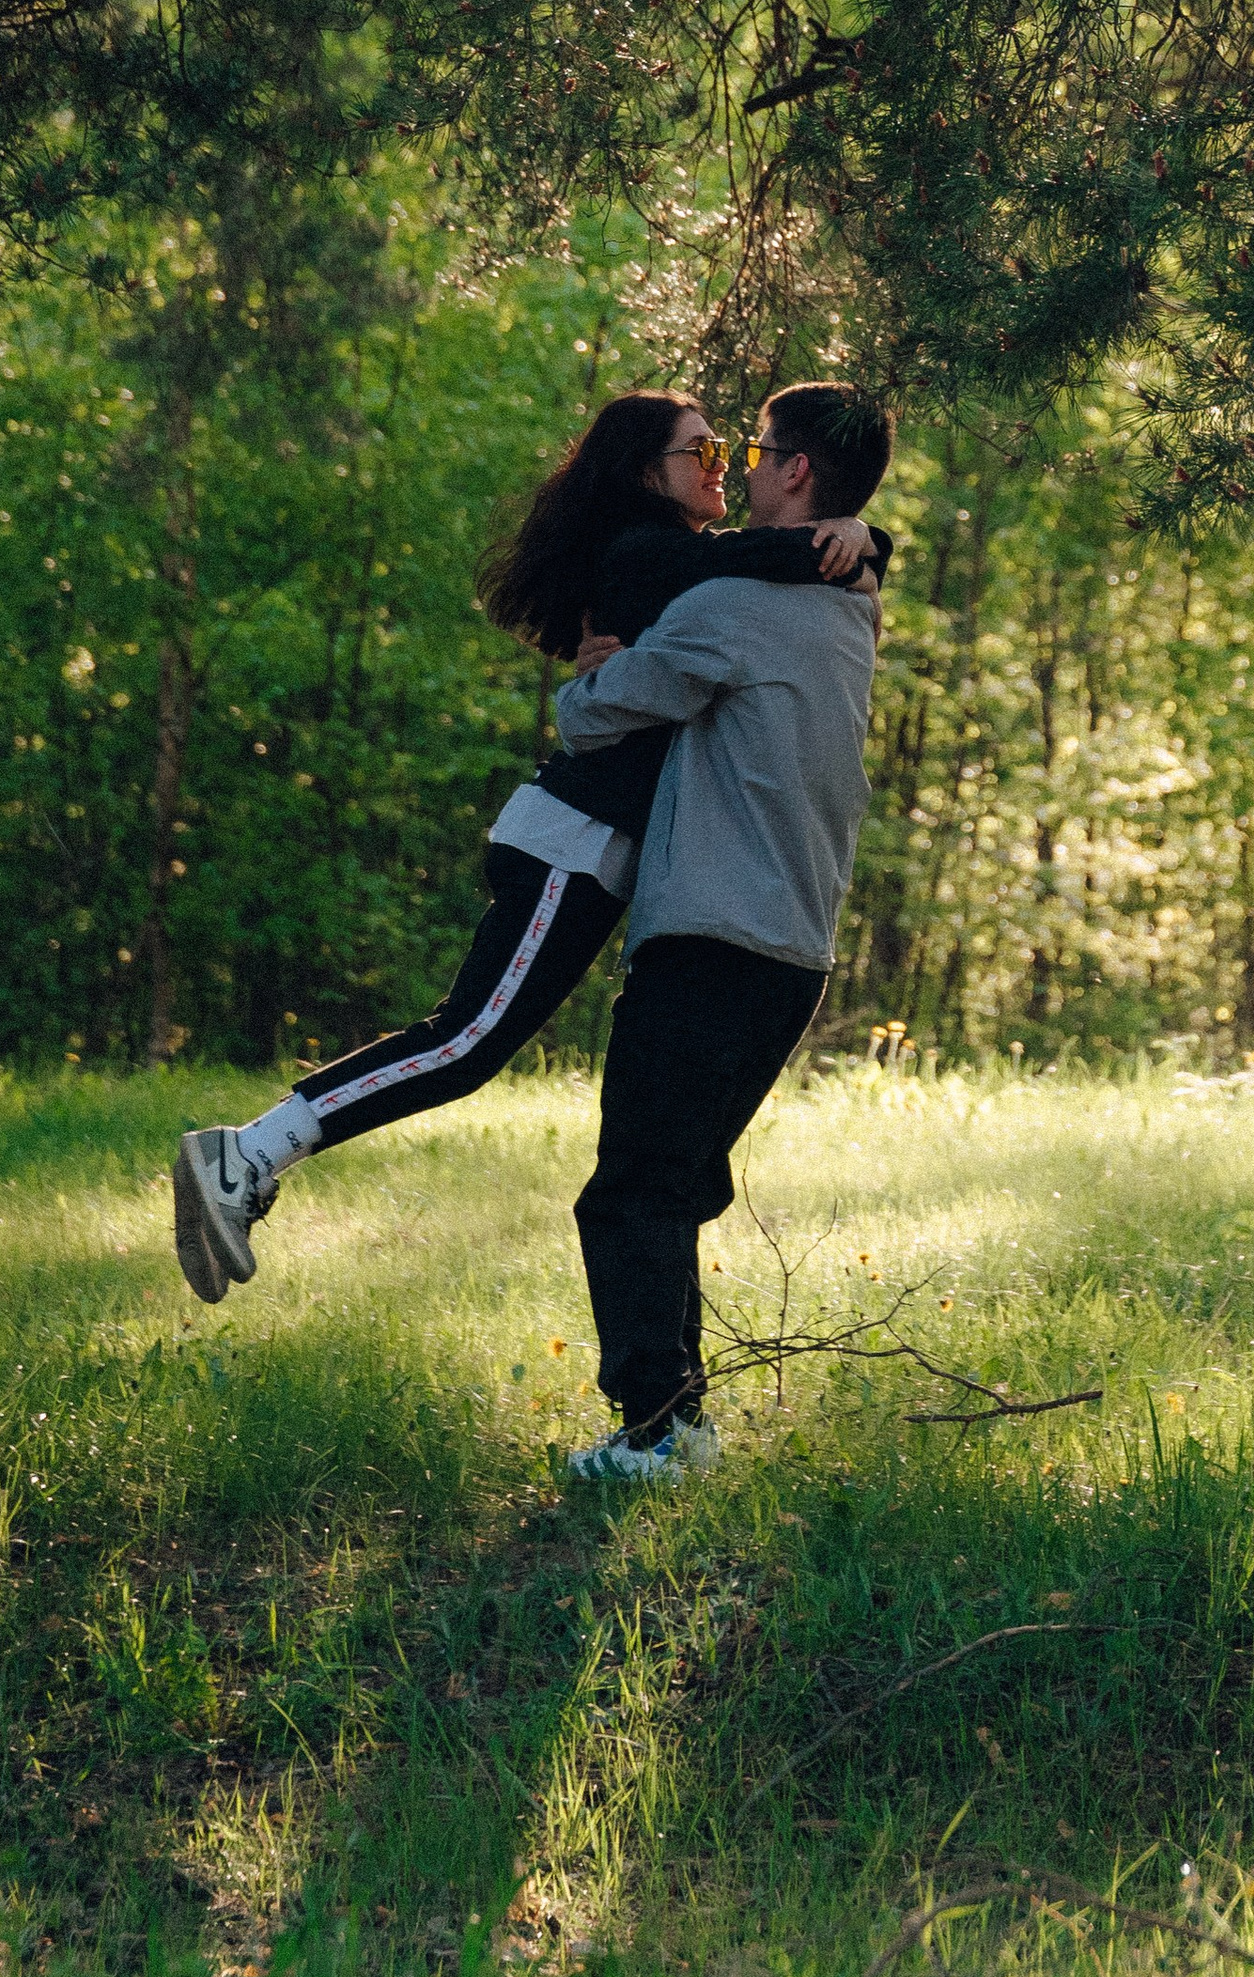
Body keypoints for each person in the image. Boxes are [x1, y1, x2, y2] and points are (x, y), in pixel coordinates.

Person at [168, 389, 883, 1305]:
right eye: (704, 454)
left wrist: (862, 542)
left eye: (733, 454)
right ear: (644, 475)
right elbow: (769, 561)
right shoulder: (650, 553)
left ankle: (252, 1155)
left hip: (598, 852)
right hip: (574, 843)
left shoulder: (686, 563)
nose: (723, 469)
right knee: (467, 1039)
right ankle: (249, 1153)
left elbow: (772, 574)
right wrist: (861, 542)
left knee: (472, 1043)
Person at [557, 377, 896, 1484]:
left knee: (635, 1186)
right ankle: (677, 1423)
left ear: (795, 470)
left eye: (753, 449)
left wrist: (595, 673)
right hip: (792, 947)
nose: (737, 467)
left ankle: (658, 1433)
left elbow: (591, 709)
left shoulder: (733, 604)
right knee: (675, 1181)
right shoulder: (848, 593)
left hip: (712, 933)